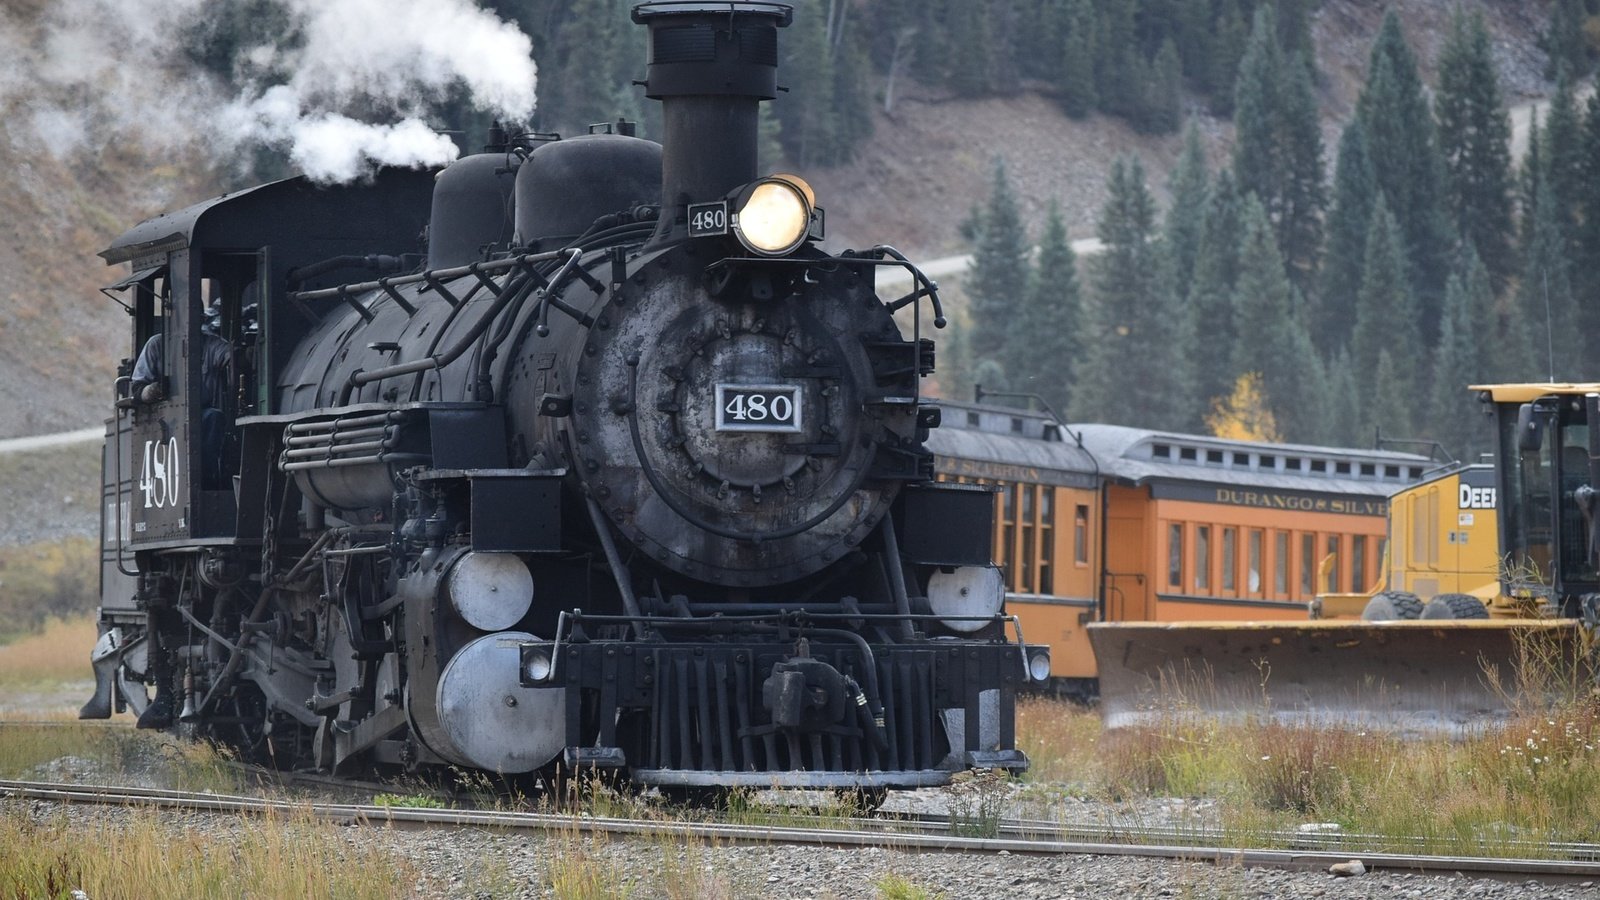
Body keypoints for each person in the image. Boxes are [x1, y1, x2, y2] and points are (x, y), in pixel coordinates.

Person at [130, 305, 233, 488]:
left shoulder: (211, 345)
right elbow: (137, 387)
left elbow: (230, 355)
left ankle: (207, 481)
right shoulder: (156, 345)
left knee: (213, 417)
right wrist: (151, 391)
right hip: (162, 419)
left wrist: (242, 355)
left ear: (202, 321)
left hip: (203, 416)